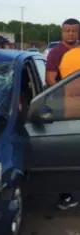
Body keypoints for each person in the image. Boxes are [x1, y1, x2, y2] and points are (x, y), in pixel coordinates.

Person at [46, 18, 80, 210]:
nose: (70, 34)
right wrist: (65, 94)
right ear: (62, 32)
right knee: (67, 151)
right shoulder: (56, 53)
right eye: (67, 31)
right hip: (65, 108)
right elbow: (51, 79)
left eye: (74, 31)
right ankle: (65, 195)